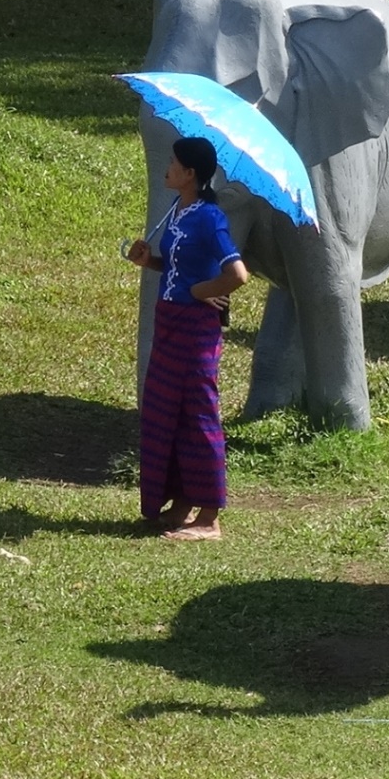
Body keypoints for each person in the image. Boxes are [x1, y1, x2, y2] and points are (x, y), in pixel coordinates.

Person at [128, 136, 251, 540]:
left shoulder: (209, 217)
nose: (168, 166)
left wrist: (202, 292)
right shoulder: (178, 211)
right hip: (169, 323)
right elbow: (181, 268)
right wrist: (151, 262)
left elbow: (237, 274)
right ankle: (182, 501)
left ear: (190, 173)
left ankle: (209, 516)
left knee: (198, 413)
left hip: (195, 330)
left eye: (174, 161)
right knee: (168, 412)